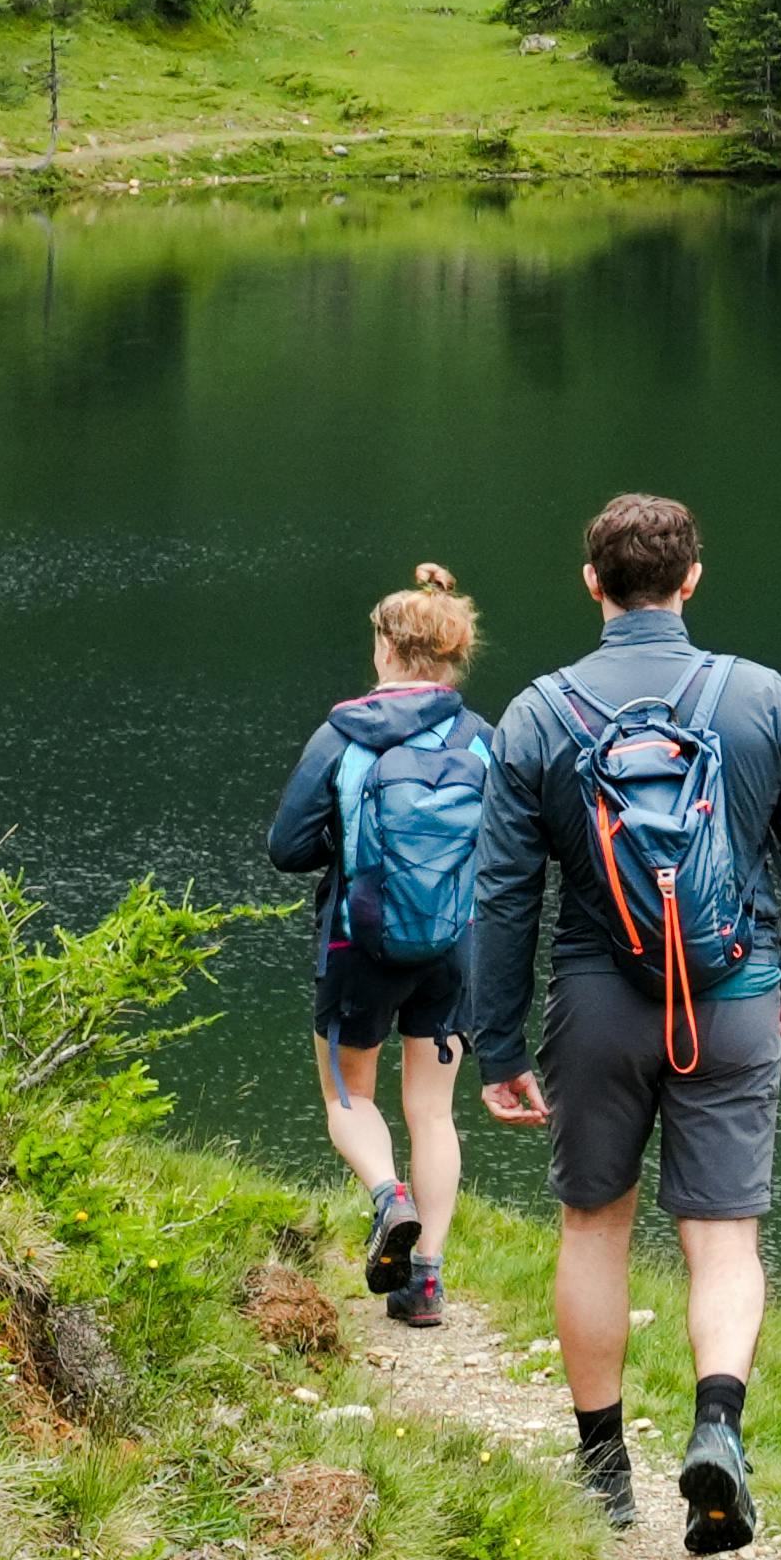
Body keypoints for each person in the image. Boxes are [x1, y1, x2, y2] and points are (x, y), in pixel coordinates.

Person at [468, 488, 781, 1544]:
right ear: (691, 580)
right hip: (732, 993)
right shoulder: (760, 695)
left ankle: (601, 1472)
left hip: (595, 1000)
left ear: (591, 583)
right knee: (722, 1238)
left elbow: (504, 890)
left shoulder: (540, 712)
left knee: (595, 1226)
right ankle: (715, 1428)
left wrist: (497, 1040)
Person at [260, 562, 498, 1330]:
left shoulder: (344, 734)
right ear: (452, 653)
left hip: (357, 945)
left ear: (389, 651)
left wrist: (349, 842)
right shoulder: (481, 739)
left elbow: (286, 847)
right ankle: (424, 1281)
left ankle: (387, 1196)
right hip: (452, 947)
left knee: (348, 1094)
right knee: (433, 1112)